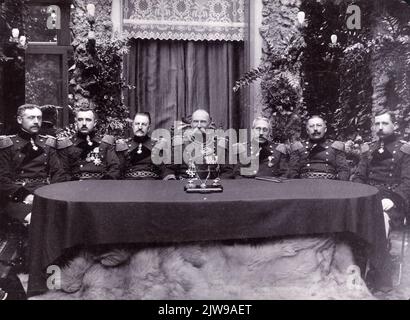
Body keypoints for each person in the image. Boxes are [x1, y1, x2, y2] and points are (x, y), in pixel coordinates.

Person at [0, 104, 67, 224]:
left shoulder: (47, 143)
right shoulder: (8, 145)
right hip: (18, 197)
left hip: (45, 194)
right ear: (20, 120)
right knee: (37, 219)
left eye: (39, 118)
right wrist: (25, 196)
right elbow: (2, 179)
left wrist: (51, 194)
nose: (36, 121)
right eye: (31, 118)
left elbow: (59, 173)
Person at [352, 110, 410, 237]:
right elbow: (359, 177)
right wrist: (359, 194)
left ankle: (380, 253)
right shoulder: (369, 149)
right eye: (377, 124)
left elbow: (407, 182)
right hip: (368, 196)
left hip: (391, 201)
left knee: (379, 218)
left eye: (384, 123)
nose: (380, 127)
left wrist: (393, 200)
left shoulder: (404, 150)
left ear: (395, 125)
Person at [168, 109, 234, 180]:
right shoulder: (180, 144)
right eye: (196, 121)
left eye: (203, 122)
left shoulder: (219, 145)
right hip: (184, 184)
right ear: (191, 124)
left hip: (211, 185)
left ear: (209, 124)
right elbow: (169, 169)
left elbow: (228, 171)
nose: (199, 125)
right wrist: (171, 177)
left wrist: (218, 182)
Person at [57, 107, 121, 180]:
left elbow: (115, 168)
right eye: (80, 120)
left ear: (95, 123)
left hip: (101, 187)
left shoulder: (105, 143)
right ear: (76, 122)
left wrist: (105, 182)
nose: (84, 123)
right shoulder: (68, 144)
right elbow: (62, 171)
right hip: (76, 187)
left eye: (88, 120)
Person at [288, 115, 349, 180]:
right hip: (304, 185)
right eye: (311, 126)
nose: (315, 129)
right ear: (307, 131)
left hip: (330, 186)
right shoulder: (298, 147)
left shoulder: (335, 146)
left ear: (325, 129)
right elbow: (292, 172)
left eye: (319, 125)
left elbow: (343, 171)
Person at [116, 112, 171, 180]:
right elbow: (117, 170)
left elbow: (165, 169)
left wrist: (170, 178)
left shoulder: (157, 145)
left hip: (151, 185)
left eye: (144, 124)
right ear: (132, 126)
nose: (140, 127)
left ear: (149, 128)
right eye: (137, 124)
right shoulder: (123, 145)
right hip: (128, 184)